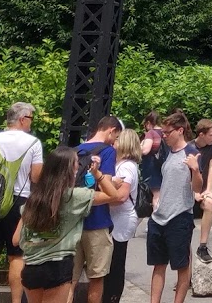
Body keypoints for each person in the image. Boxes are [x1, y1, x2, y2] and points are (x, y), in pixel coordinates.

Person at [14, 145, 118, 303]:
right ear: (71, 169)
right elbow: (113, 195)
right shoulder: (75, 197)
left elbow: (16, 239)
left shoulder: (33, 200)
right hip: (58, 265)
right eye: (77, 162)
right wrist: (97, 174)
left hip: (32, 266)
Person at [0, 102, 44, 303]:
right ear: (22, 119)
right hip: (19, 204)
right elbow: (36, 176)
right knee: (17, 257)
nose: (31, 122)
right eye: (31, 118)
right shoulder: (33, 143)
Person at [146, 110, 202, 303]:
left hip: (179, 217)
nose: (164, 136)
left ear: (180, 130)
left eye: (168, 132)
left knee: (182, 266)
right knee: (158, 264)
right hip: (159, 216)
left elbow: (197, 188)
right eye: (163, 132)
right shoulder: (167, 152)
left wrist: (196, 170)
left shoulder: (191, 152)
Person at [73, 116, 128, 303]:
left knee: (69, 280)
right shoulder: (107, 151)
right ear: (111, 130)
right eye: (116, 136)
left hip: (74, 222)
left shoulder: (76, 150)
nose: (115, 141)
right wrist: (114, 184)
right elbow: (107, 188)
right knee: (96, 278)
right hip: (97, 221)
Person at [104, 129, 142, 303]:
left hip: (121, 218)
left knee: (116, 261)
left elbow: (121, 196)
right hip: (117, 216)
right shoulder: (121, 164)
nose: (114, 141)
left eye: (118, 139)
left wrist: (99, 200)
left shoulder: (127, 166)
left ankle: (113, 296)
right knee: (113, 260)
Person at [192, 119, 212, 265]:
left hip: (203, 188)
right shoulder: (190, 148)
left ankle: (202, 247)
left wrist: (208, 190)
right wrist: (194, 192)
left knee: (210, 203)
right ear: (201, 135)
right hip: (190, 188)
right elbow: (185, 174)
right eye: (211, 134)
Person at [139, 113, 163, 211]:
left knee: (156, 195)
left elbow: (145, 150)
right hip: (164, 165)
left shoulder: (151, 133)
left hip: (152, 167)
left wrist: (139, 147)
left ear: (148, 123)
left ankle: (156, 216)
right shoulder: (165, 132)